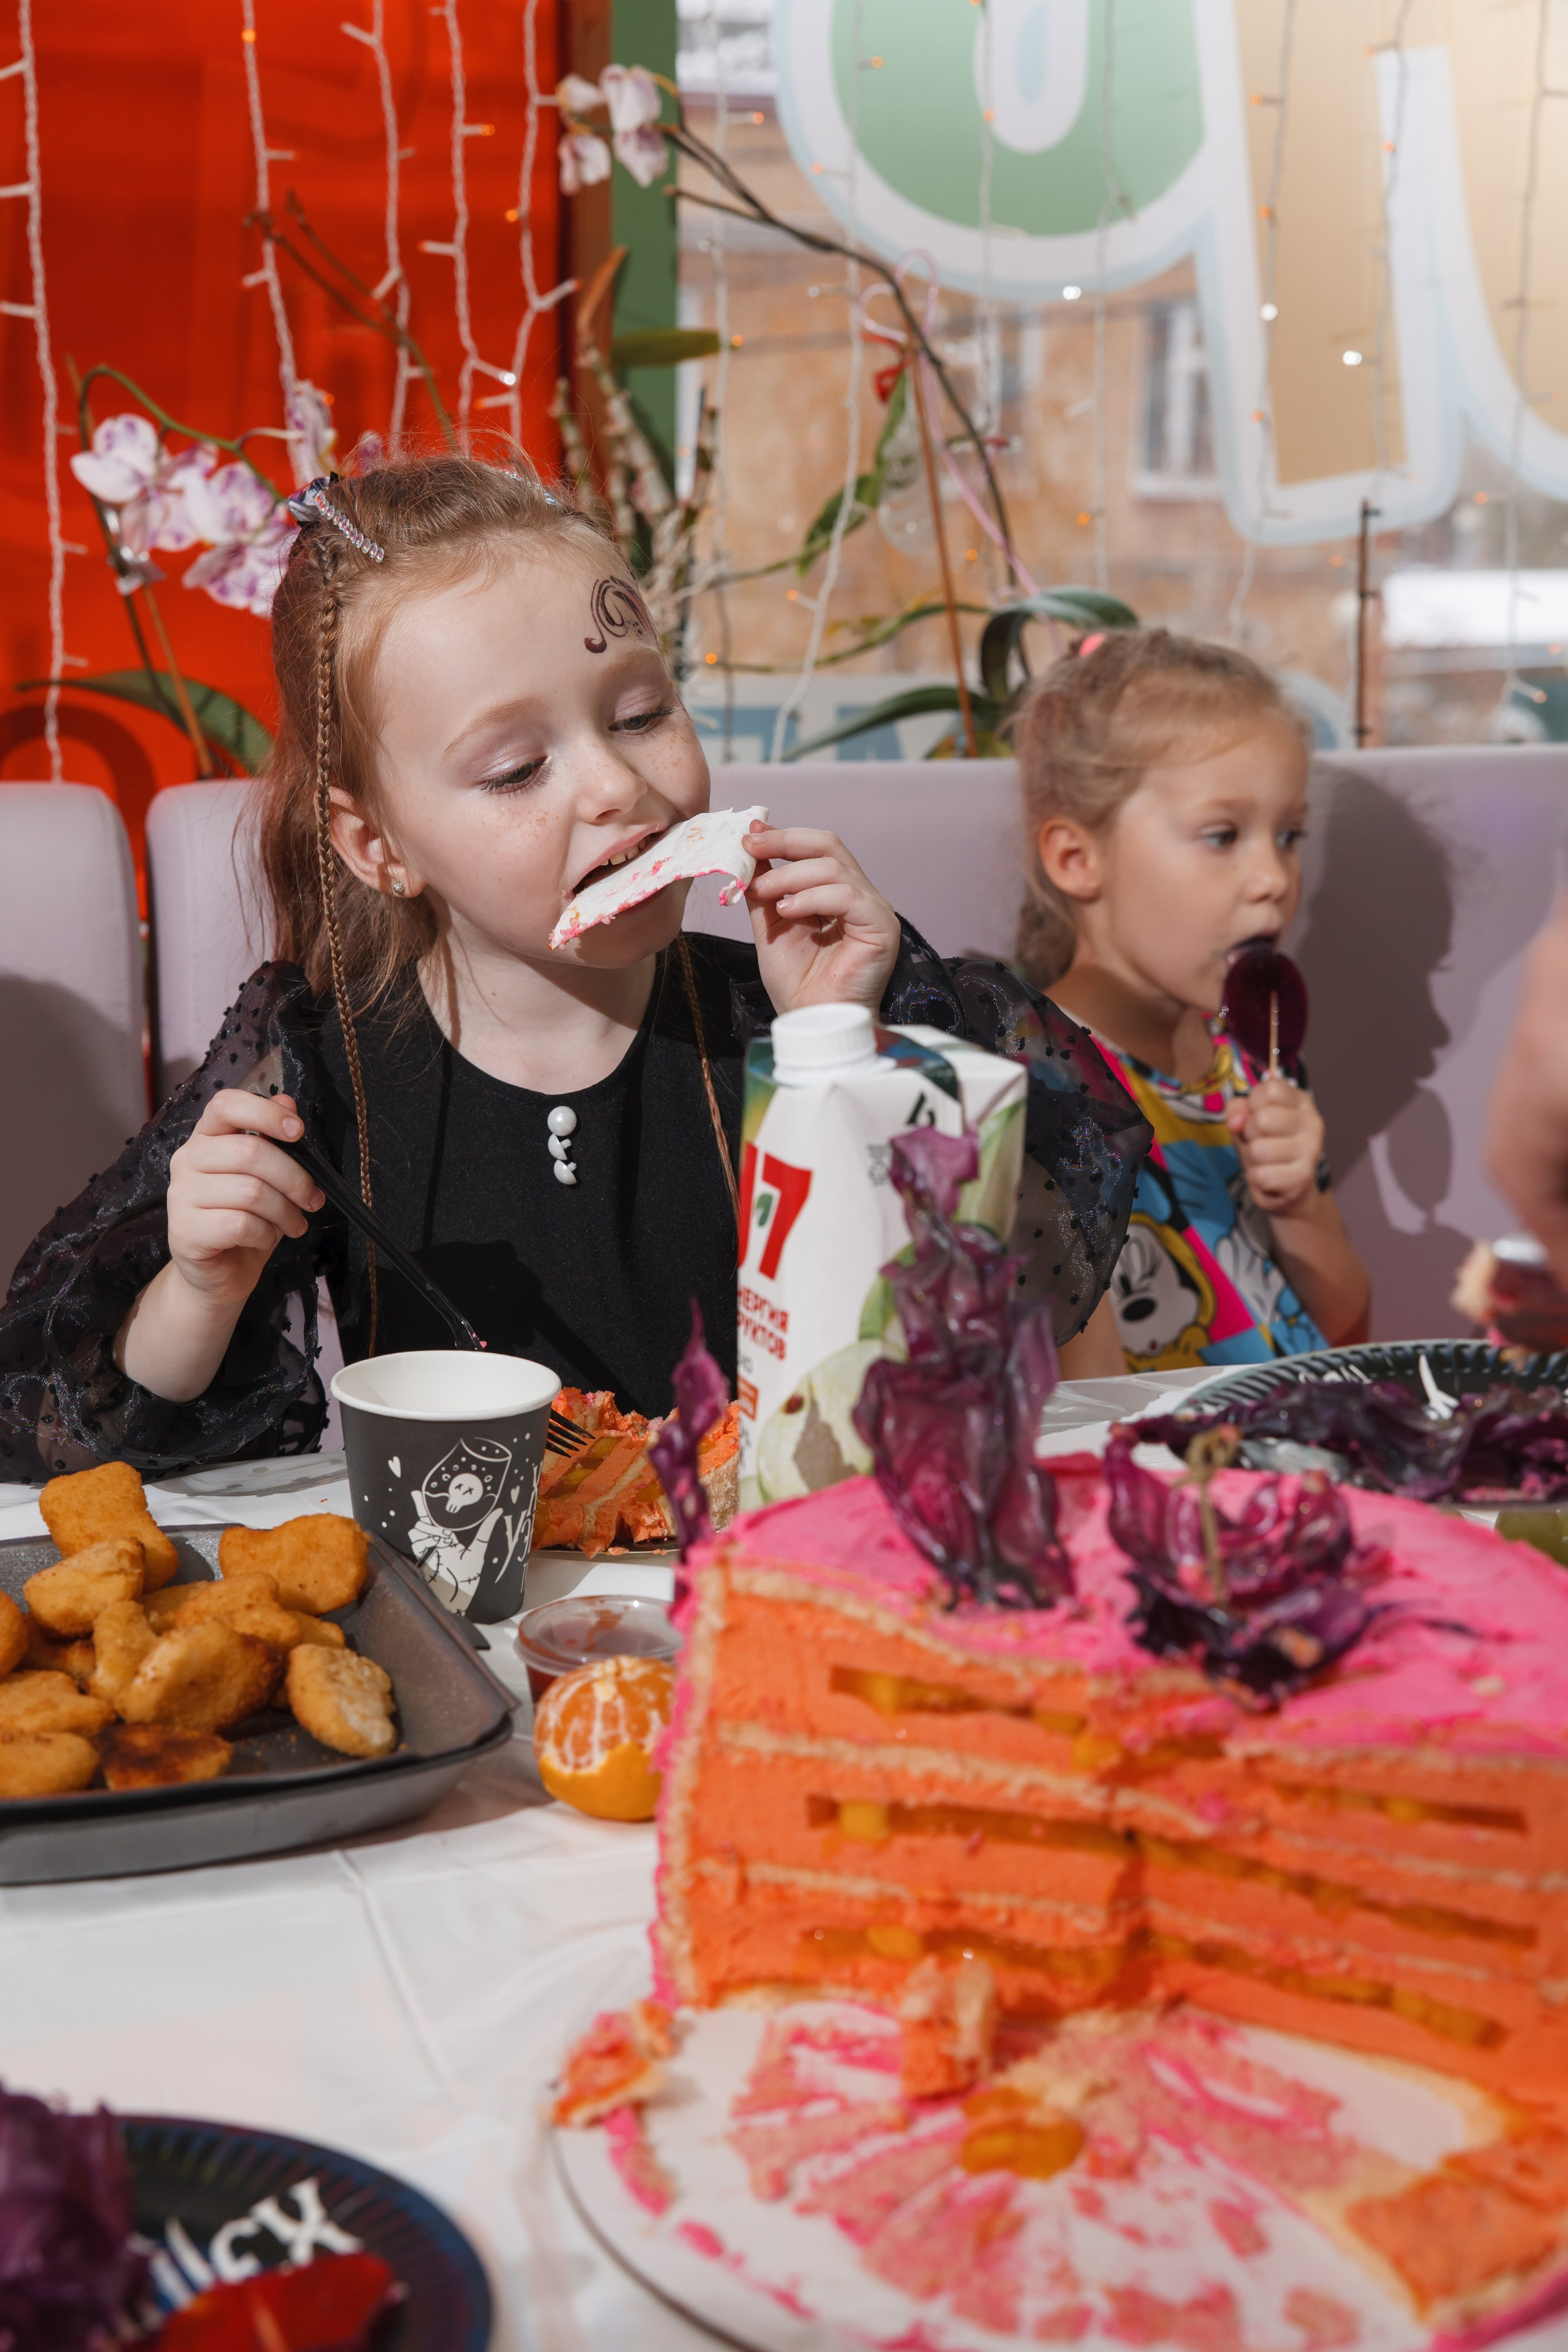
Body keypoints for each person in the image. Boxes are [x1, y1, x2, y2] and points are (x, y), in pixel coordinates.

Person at [0, 453, 1152, 1481]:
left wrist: (838, 1049)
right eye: (515, 770)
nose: (615, 784)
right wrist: (201, 1286)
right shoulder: (320, 1067)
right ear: (377, 844)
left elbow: (1014, 1296)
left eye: (642, 712)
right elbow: (71, 1430)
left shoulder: (779, 1011)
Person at [1012, 628, 1369, 1375]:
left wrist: (1299, 1205)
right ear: (1077, 859)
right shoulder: (1029, 1085)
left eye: (1289, 836)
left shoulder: (1253, 1059)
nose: (1274, 879)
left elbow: (1344, 1330)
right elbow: (1071, 1395)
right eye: (1222, 836)